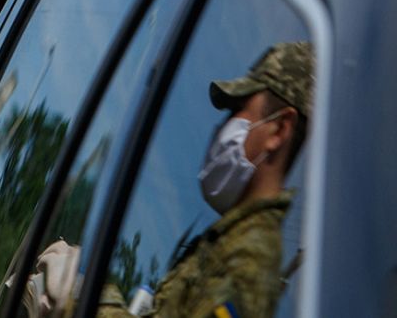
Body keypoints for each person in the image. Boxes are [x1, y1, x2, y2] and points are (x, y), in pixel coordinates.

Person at [94, 41, 314, 318]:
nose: (222, 128)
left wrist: (83, 296)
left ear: (278, 130)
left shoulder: (248, 264)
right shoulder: (227, 243)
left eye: (238, 110)